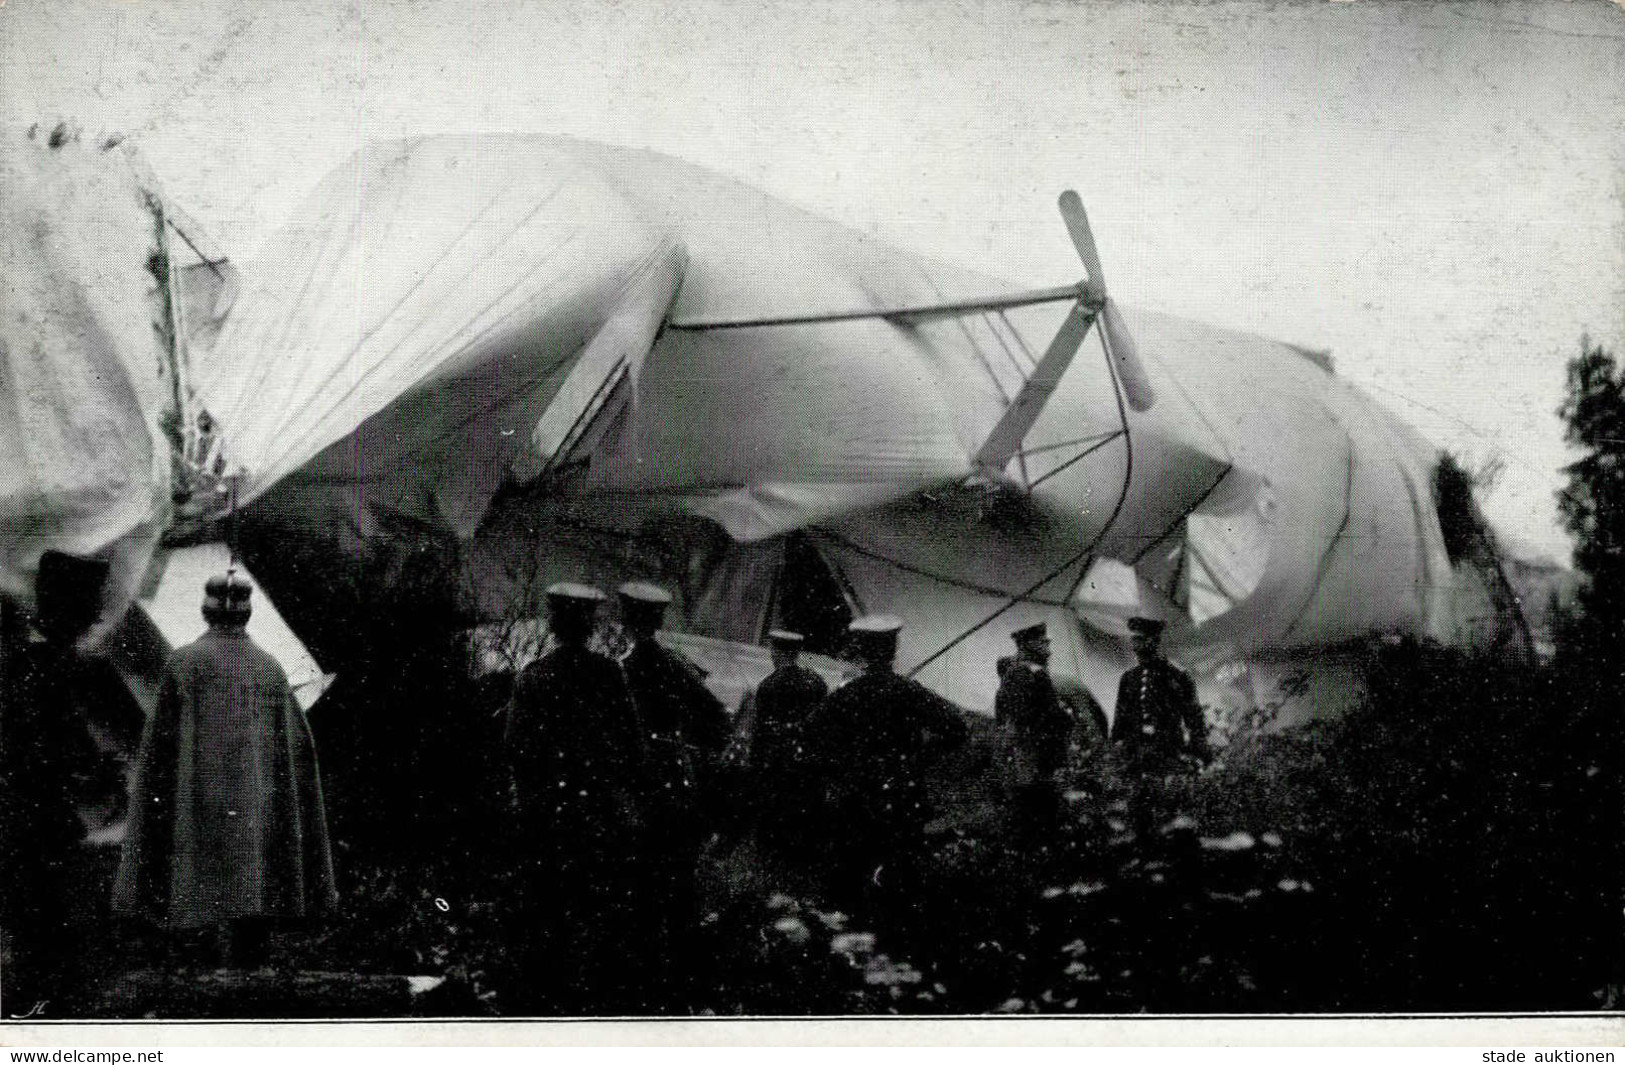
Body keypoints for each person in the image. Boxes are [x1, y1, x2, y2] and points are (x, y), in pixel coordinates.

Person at [113, 572, 338, 969]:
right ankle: (245, 960)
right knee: (250, 877)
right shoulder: (268, 668)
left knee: (194, 873)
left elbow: (159, 747)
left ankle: (197, 958)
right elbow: (297, 747)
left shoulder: (184, 662)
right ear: (247, 615)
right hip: (254, 804)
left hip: (196, 798)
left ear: (207, 612)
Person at [503, 582, 654, 1013]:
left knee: (544, 903)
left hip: (545, 810)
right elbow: (632, 747)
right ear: (589, 627)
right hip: (597, 810)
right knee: (595, 903)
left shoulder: (533, 676)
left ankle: (539, 992)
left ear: (553, 625)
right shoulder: (609, 674)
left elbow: (515, 748)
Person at [1, 550, 110, 1014]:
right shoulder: (58, 668)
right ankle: (43, 992)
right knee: (42, 902)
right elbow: (65, 742)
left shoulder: (27, 664)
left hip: (24, 800)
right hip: (36, 803)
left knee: (34, 901)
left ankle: (39, 989)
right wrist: (90, 764)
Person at [614, 581, 731, 1004]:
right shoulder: (676, 665)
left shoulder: (620, 669)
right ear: (659, 621)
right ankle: (686, 983)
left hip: (634, 791)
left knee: (639, 888)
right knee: (679, 886)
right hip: (676, 786)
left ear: (625, 620)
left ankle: (640, 985)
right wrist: (685, 748)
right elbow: (717, 719)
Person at [802, 615, 969, 909]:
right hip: (901, 796)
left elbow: (812, 734)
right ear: (893, 651)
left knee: (851, 873)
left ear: (861, 651)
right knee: (900, 875)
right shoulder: (908, 690)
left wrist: (840, 767)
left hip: (857, 796)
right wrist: (918, 759)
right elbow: (956, 727)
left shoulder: (846, 694)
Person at [727, 629, 829, 858]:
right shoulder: (816, 681)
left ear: (775, 651)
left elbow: (761, 735)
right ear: (797, 652)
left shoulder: (770, 685)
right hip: (805, 767)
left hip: (776, 766)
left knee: (770, 823)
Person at [1109, 616, 1211, 832]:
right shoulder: (1129, 678)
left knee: (1167, 799)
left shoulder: (1176, 674)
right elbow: (1121, 714)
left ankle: (1169, 851)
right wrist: (1116, 743)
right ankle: (1144, 848)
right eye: (1133, 640)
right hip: (1136, 748)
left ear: (1154, 641)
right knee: (1138, 800)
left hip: (1167, 747)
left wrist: (1199, 745)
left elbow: (1192, 713)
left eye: (1140, 640)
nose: (1134, 646)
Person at [994, 622, 1075, 845]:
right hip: (1035, 752)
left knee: (1033, 802)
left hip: (1032, 751)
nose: (1048, 645)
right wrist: (1065, 715)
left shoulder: (1022, 673)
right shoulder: (1028, 673)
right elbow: (1035, 714)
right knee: (1037, 804)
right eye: (1042, 642)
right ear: (1029, 645)